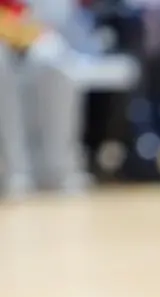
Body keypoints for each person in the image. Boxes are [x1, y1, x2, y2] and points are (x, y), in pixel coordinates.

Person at [0, 0, 84, 196]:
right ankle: (15, 171)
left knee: (55, 62)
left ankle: (57, 169)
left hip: (30, 33)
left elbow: (52, 16)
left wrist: (24, 31)